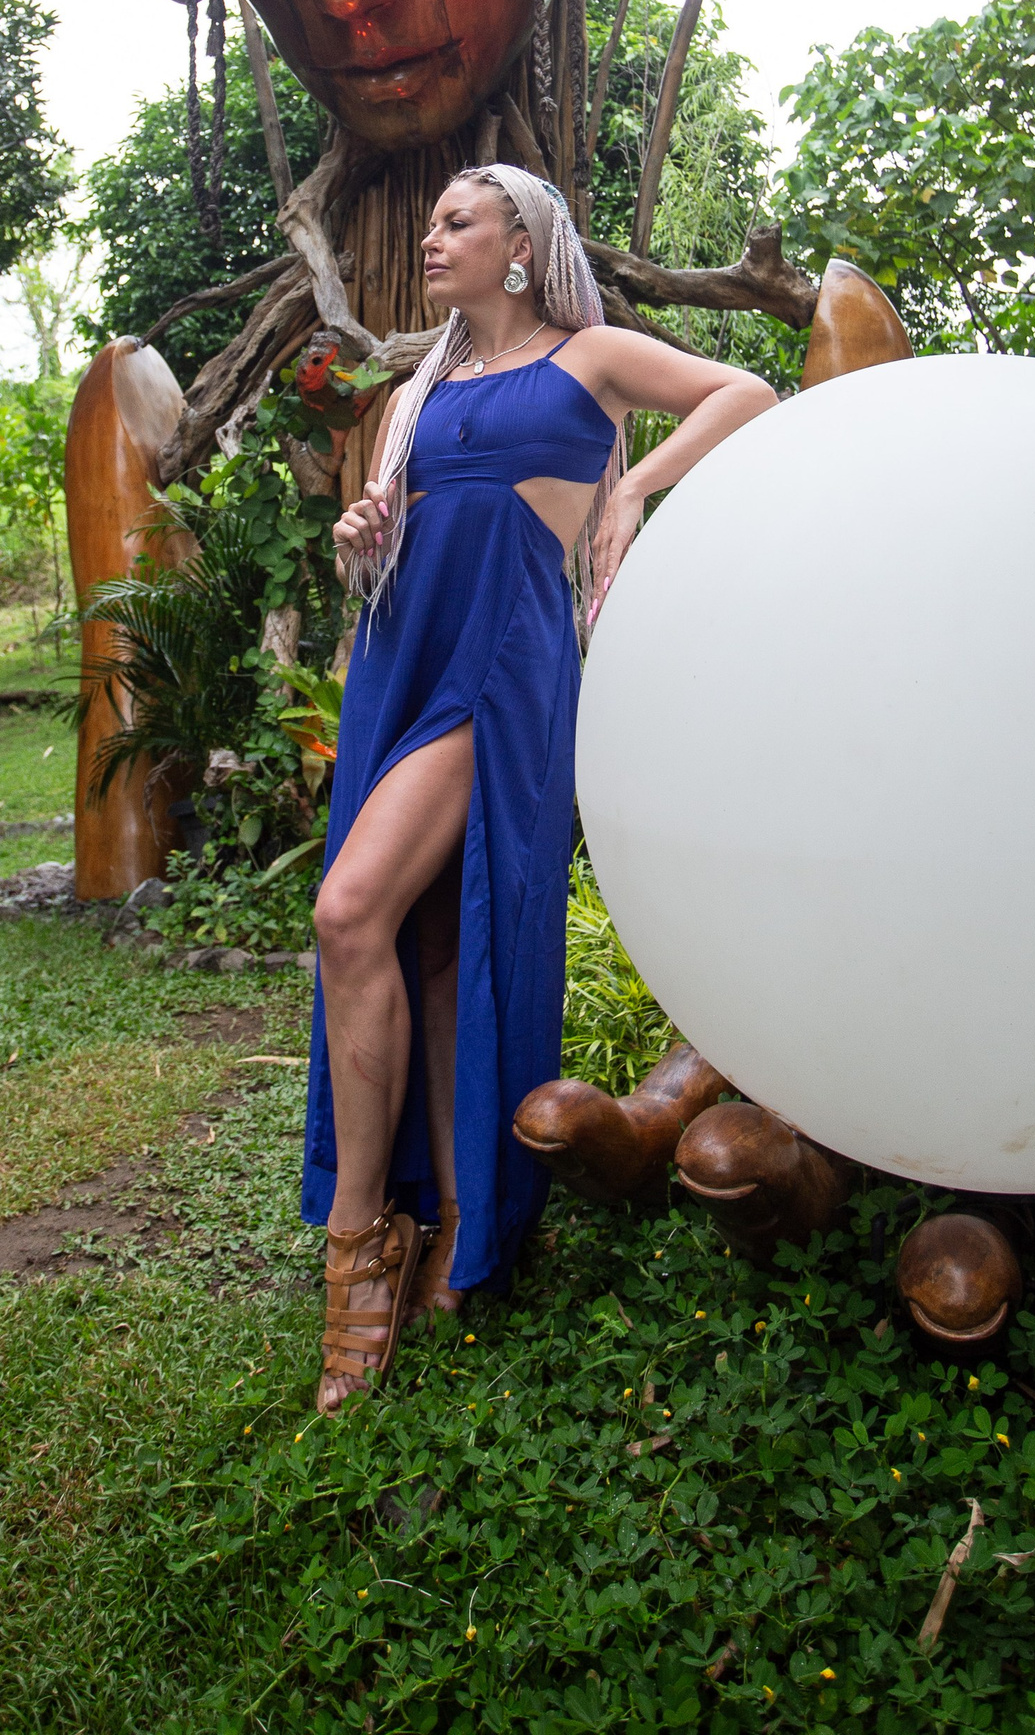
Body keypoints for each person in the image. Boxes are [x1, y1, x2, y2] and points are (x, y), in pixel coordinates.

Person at [301, 164, 777, 1412]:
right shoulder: (420, 390)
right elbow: (398, 542)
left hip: (499, 671)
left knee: (347, 913)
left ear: (522, 244)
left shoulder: (589, 357)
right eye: (430, 220)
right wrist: (361, 538)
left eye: (457, 220)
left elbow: (747, 391)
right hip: (403, 661)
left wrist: (632, 486)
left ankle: (359, 1239)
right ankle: (463, 1214)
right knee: (428, 941)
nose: (431, 236)